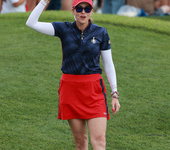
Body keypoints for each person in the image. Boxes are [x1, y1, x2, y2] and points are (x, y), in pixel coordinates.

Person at [26, 0, 121, 149]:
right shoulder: (63, 29)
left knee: (100, 141)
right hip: (70, 90)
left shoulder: (101, 32)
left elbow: (109, 65)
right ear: (73, 10)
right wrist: (44, 1)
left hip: (93, 90)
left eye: (87, 8)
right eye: (79, 8)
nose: (83, 12)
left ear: (91, 11)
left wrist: (114, 93)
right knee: (80, 141)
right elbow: (31, 22)